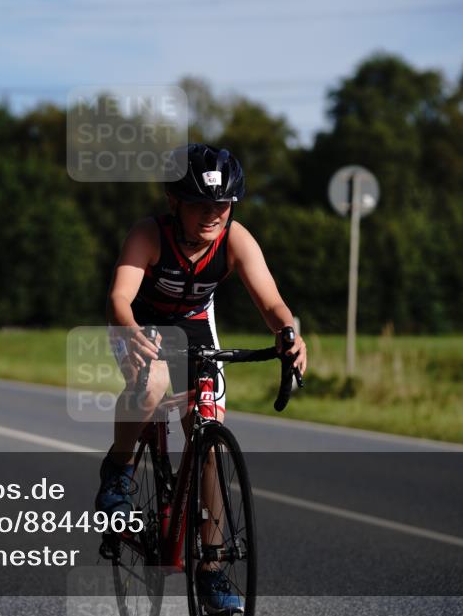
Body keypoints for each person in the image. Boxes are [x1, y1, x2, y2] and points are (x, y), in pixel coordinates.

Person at [95, 143, 308, 613]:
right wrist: (132, 334)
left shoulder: (235, 239)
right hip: (138, 321)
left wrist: (287, 333)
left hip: (193, 322)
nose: (213, 214)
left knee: (208, 429)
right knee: (152, 385)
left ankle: (210, 568)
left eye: (223, 204)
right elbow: (118, 299)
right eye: (200, 205)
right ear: (174, 203)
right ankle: (119, 472)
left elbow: (271, 302)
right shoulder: (149, 234)